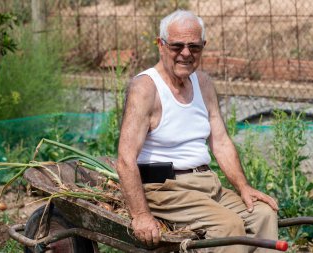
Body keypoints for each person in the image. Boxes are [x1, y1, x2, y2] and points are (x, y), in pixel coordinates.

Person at [116, 9, 279, 253]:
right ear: (161, 45)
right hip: (166, 188)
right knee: (228, 227)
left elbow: (221, 141)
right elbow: (125, 158)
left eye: (194, 47)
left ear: (203, 47)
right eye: (177, 46)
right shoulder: (146, 88)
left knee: (263, 214)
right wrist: (140, 215)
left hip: (206, 184)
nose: (185, 53)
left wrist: (244, 188)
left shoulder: (202, 83)